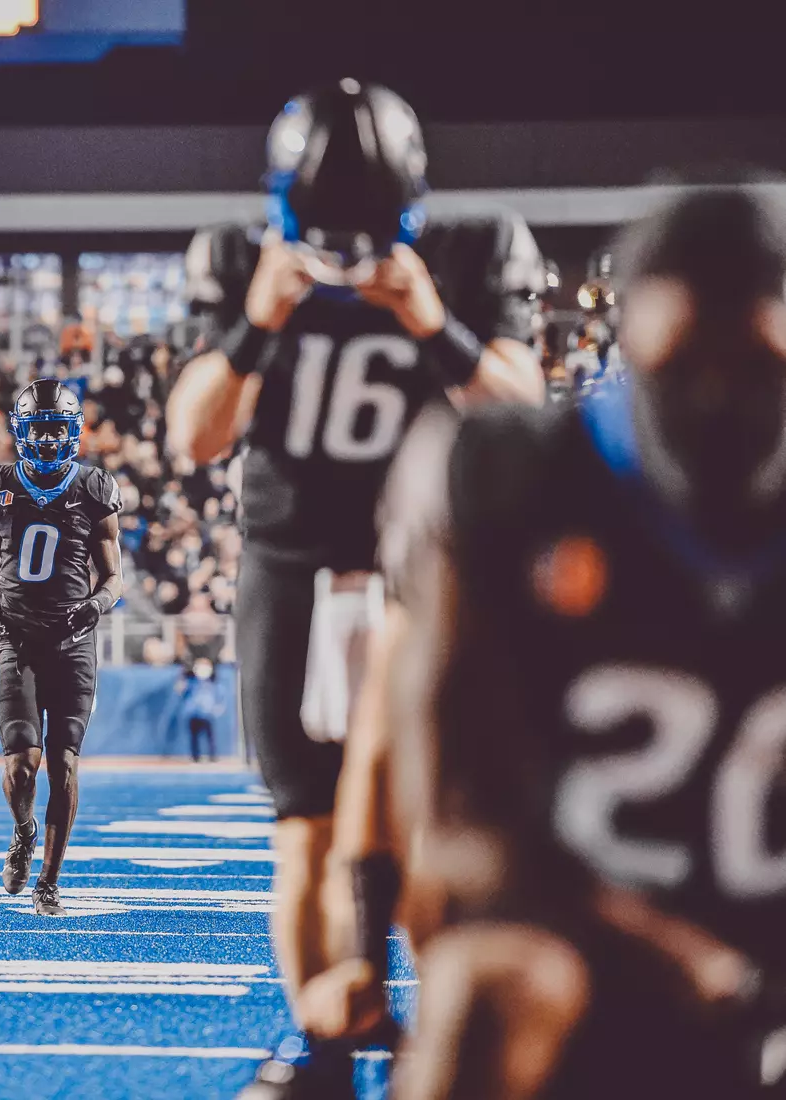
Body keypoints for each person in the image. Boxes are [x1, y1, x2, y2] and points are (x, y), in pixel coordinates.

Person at [164, 80, 546, 1097]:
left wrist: (433, 322)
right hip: (293, 566)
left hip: (436, 576)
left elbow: (524, 415)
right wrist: (257, 324)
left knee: (440, 829)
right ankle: (322, 1045)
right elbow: (194, 434)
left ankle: (448, 1050)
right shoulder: (243, 261)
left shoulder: (469, 253)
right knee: (305, 824)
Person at [381, 184, 786, 1100]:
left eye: (757, 362)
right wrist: (708, 971)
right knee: (489, 987)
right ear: (627, 351)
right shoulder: (515, 479)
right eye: (683, 360)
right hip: (584, 934)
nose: (717, 396)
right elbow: (459, 837)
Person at [0, 378, 125, 917]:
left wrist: (96, 605)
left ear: (73, 431)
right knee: (21, 766)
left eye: (57, 428)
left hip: (73, 643)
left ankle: (49, 881)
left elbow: (114, 577)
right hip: (19, 641)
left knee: (63, 764)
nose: (48, 439)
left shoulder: (94, 488)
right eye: (39, 428)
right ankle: (23, 831)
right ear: (21, 432)